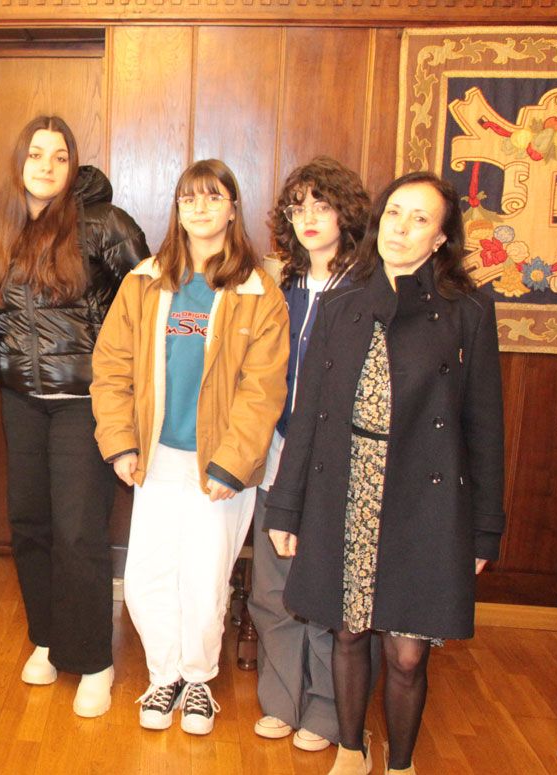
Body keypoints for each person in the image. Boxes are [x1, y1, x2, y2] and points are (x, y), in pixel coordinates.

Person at [264, 171, 504, 775]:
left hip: (425, 503)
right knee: (347, 632)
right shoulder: (343, 299)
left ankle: (401, 763)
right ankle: (350, 746)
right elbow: (309, 414)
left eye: (419, 218)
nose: (401, 227)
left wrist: (484, 531)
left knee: (406, 654)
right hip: (345, 492)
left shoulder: (467, 310)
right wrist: (285, 509)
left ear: (442, 237)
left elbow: (485, 427)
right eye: (394, 212)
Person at [90, 159, 289, 734]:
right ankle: (163, 676)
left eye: (213, 197)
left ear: (232, 207)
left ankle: (198, 680)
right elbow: (112, 368)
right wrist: (120, 443)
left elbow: (263, 387)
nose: (200, 208)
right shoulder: (146, 281)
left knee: (204, 576)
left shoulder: (258, 292)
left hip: (219, 464)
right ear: (178, 209)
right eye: (189, 198)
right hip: (155, 457)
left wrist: (233, 463)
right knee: (150, 573)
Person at [0, 115, 148, 717]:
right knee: (29, 524)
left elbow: (146, 305)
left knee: (79, 532)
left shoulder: (104, 223)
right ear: (19, 161)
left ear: (71, 164)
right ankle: (49, 640)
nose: (45, 166)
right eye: (36, 155)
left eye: (58, 156)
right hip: (21, 400)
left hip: (85, 403)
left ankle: (93, 659)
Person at [250, 157, 371, 751]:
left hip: (338, 467)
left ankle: (326, 712)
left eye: (322, 207)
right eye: (298, 209)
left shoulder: (369, 289)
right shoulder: (279, 286)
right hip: (276, 454)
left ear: (346, 212)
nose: (309, 220)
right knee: (272, 590)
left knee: (326, 594)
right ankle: (280, 701)